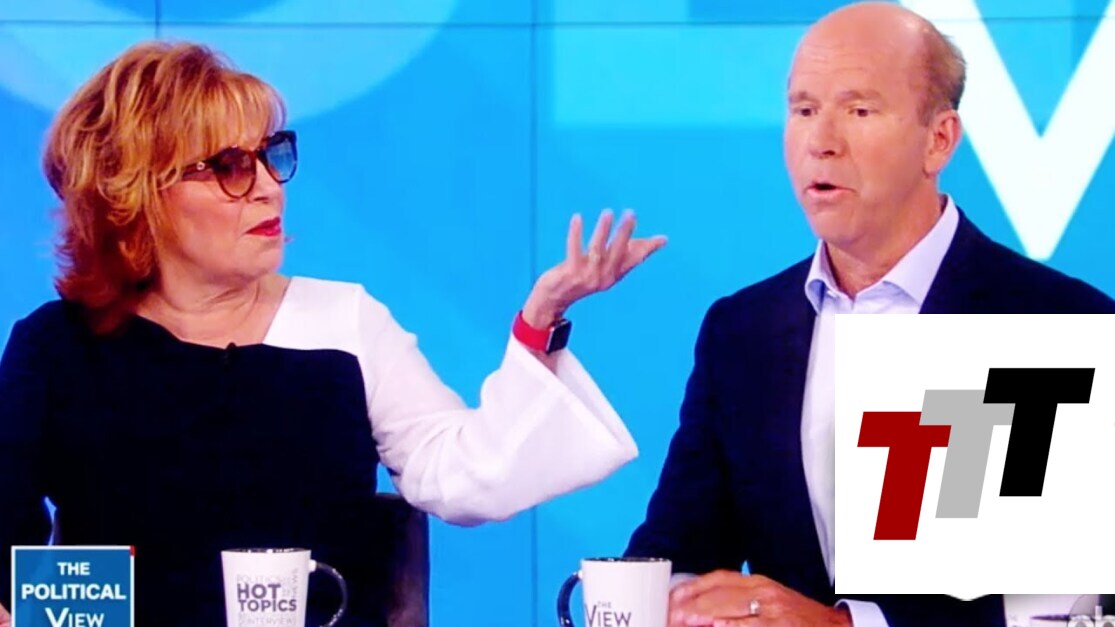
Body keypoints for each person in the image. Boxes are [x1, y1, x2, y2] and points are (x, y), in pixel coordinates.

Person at [0, 41, 666, 625]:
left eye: (270, 156)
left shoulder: (341, 321)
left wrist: (540, 321)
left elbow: (465, 476)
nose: (269, 188)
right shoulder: (56, 348)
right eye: (230, 166)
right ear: (136, 194)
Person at [624, 3, 1115, 626]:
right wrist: (660, 601)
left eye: (859, 111)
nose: (821, 141)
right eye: (804, 110)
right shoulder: (742, 331)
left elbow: (1068, 607)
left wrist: (848, 625)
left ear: (938, 140)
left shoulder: (1052, 322)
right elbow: (678, 550)